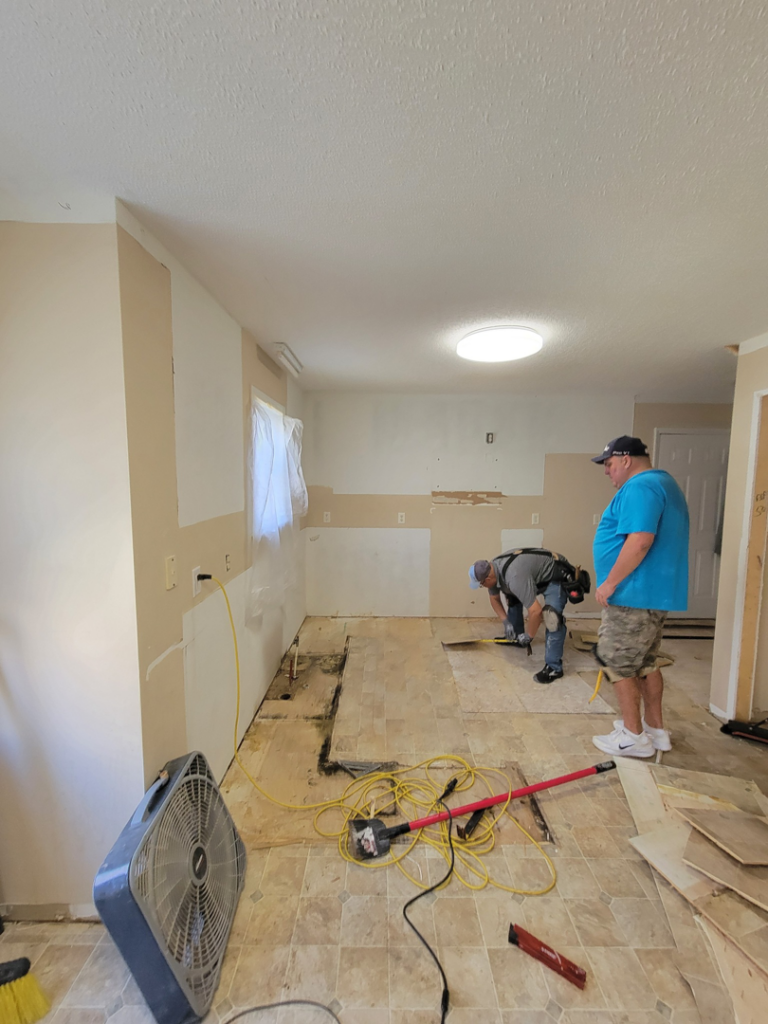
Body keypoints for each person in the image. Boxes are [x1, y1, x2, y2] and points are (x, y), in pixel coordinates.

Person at [590, 435, 689, 757]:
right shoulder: (664, 483)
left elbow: (640, 541)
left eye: (608, 464)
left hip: (634, 593)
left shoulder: (640, 487)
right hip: (651, 594)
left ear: (626, 459)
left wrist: (609, 583)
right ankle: (655, 730)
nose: (607, 472)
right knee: (645, 662)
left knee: (616, 662)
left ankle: (633, 736)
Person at [468, 549, 575, 683]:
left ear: (487, 579)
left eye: (481, 585)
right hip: (533, 575)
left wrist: (530, 636)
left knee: (552, 618)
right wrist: (506, 622)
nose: (482, 587)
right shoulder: (492, 569)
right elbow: (494, 598)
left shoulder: (514, 577)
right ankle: (516, 637)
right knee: (512, 596)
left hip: (556, 574)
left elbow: (536, 611)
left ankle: (554, 668)